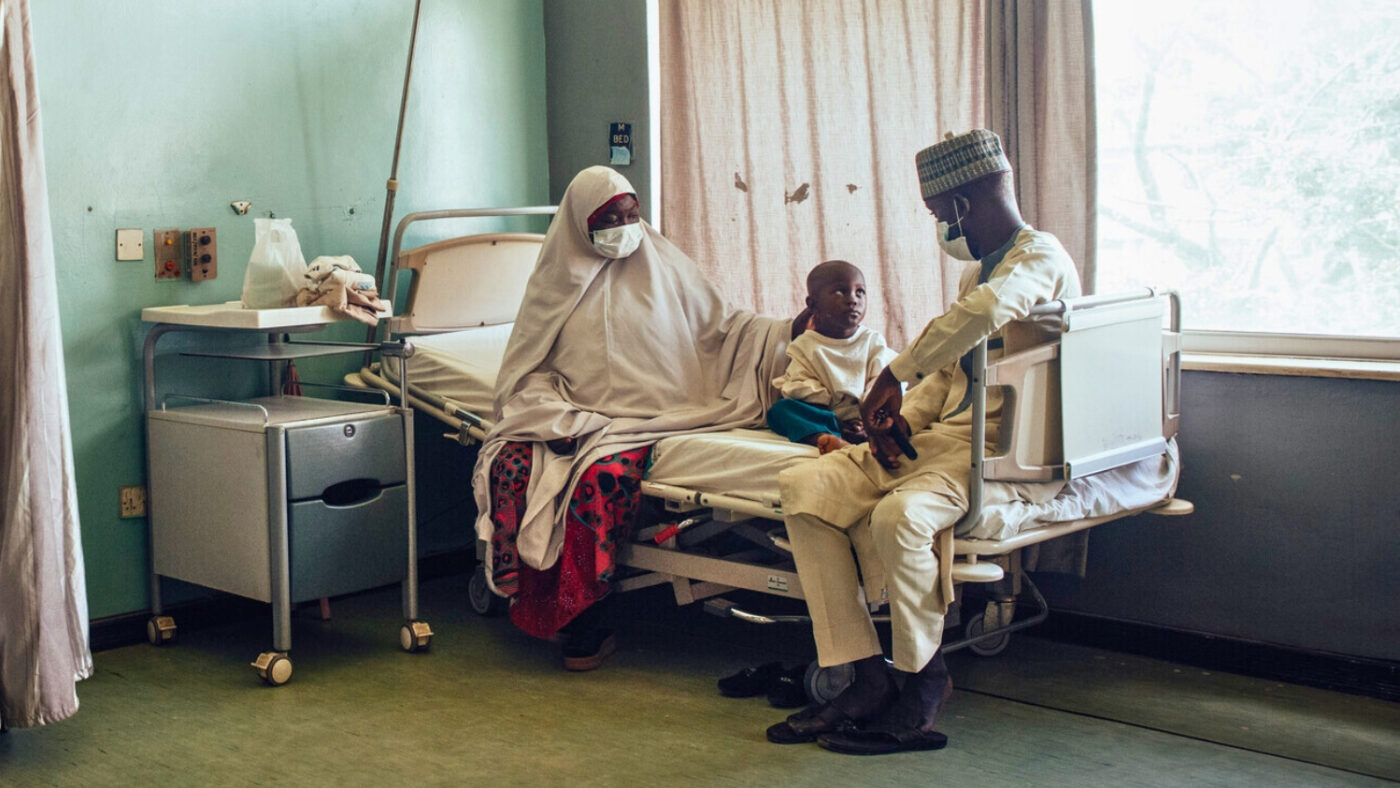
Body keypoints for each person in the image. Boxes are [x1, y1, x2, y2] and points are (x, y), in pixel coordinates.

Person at [765, 130, 1082, 754]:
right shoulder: (976, 270)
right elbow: (951, 368)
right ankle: (865, 674)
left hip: (993, 446)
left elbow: (986, 315)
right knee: (802, 486)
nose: (940, 226)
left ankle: (922, 686)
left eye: (940, 214)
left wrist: (891, 375)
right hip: (942, 437)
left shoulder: (1037, 260)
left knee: (901, 516)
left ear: (961, 205)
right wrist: (902, 416)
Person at [472, 166, 800, 670]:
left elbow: (725, 328)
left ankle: (582, 616)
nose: (627, 227)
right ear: (582, 223)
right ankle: (531, 594)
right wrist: (555, 415)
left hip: (662, 412)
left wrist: (788, 330)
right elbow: (526, 368)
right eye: (611, 219)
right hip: (579, 413)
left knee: (596, 481)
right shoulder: (553, 285)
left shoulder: (664, 264)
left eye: (633, 214)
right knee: (512, 464)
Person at [767, 260, 896, 454]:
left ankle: (872, 436)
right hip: (829, 416)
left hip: (871, 413)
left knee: (905, 405)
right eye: (840, 292)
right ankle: (828, 438)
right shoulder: (805, 345)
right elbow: (801, 384)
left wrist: (865, 418)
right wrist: (839, 419)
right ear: (812, 304)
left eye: (860, 292)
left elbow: (880, 381)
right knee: (781, 411)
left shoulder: (872, 340)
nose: (853, 299)